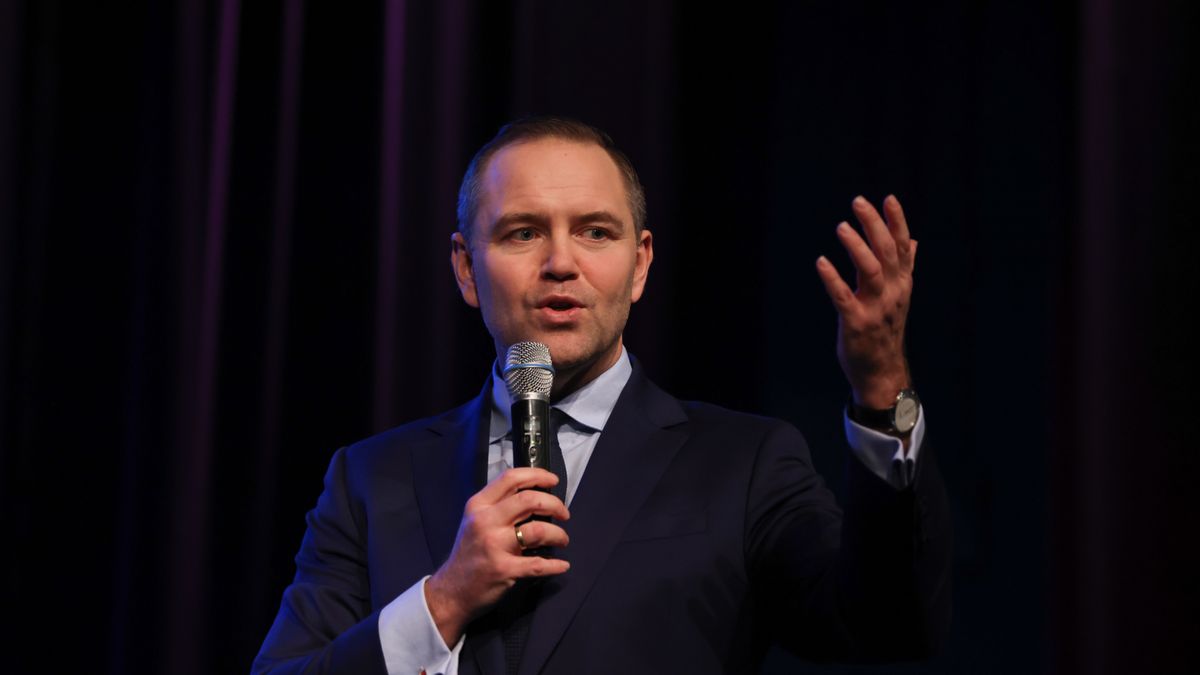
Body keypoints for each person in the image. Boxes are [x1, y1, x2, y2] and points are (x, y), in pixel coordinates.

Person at [253, 117, 951, 675]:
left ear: (640, 263)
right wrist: (443, 599)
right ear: (467, 269)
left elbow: (886, 623)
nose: (562, 262)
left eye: (595, 231)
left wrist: (882, 389)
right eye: (523, 232)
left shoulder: (743, 464)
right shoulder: (372, 478)